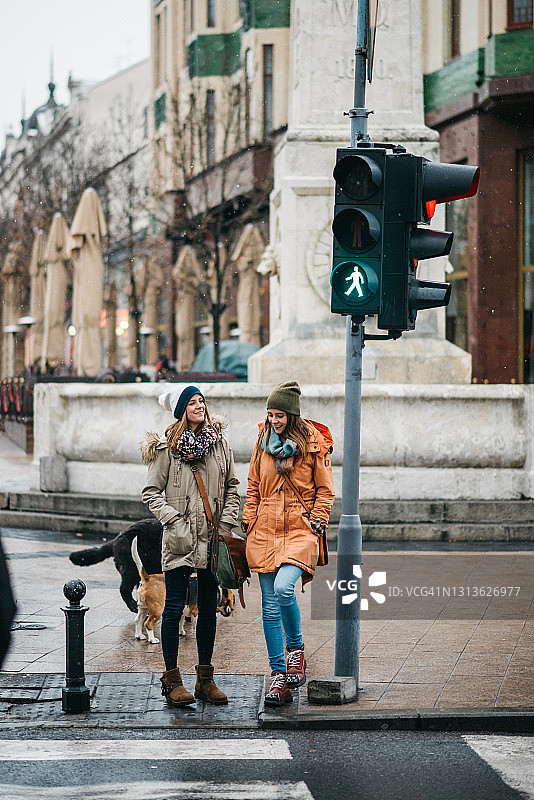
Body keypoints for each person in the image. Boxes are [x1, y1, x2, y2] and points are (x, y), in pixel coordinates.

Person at [141, 385, 240, 707]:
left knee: (209, 609)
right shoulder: (165, 448)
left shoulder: (220, 444)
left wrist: (226, 522)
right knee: (172, 609)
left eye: (202, 401)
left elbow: (232, 487)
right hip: (180, 539)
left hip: (213, 537)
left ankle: (205, 681)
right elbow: (151, 493)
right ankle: (172, 682)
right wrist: (175, 522)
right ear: (182, 409)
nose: (199, 406)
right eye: (192, 402)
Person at [242, 381, 335, 706]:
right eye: (270, 414)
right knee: (268, 607)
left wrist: (318, 519)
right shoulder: (262, 442)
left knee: (283, 589)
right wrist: (248, 517)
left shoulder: (314, 443)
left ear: (292, 415)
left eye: (279, 415)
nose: (274, 421)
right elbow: (253, 483)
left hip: (300, 526)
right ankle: (278, 676)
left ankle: (296, 652)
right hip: (265, 527)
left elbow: (325, 490)